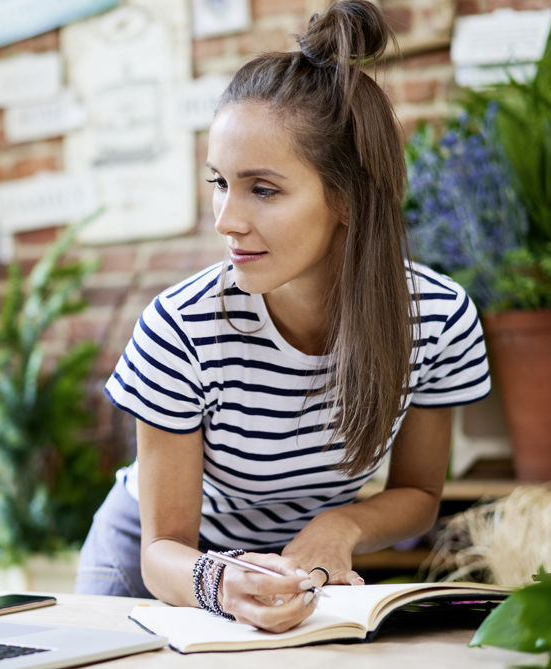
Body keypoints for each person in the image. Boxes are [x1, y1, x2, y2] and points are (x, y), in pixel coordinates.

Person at [74, 0, 491, 634]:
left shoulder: (437, 321)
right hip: (155, 565)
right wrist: (223, 581)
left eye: (262, 189)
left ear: (346, 199)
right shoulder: (181, 327)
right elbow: (162, 553)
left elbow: (420, 498)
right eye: (219, 182)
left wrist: (341, 525)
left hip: (297, 571)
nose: (226, 219)